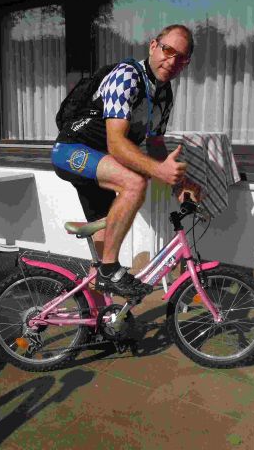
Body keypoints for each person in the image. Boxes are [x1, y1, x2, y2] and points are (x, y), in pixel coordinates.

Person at [51, 24, 200, 300]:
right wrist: (160, 171)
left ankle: (101, 315)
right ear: (153, 46)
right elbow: (117, 143)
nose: (172, 61)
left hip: (101, 164)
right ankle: (110, 271)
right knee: (135, 183)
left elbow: (155, 144)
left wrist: (179, 183)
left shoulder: (164, 94)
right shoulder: (127, 76)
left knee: (102, 257)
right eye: (168, 50)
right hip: (71, 151)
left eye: (182, 58)